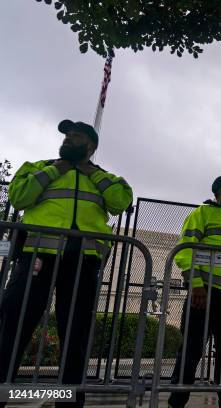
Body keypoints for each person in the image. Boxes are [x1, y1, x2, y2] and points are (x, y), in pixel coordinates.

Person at [0, 119, 133, 407]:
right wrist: (54, 170)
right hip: (37, 256)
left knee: (76, 333)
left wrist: (92, 173)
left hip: (83, 262)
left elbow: (120, 202)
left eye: (76, 136)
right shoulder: (37, 167)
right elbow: (19, 197)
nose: (69, 139)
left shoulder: (105, 178)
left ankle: (69, 401)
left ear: (90, 146)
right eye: (67, 135)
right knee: (14, 324)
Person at [168, 175, 221, 408]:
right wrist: (195, 283)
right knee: (191, 350)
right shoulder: (202, 213)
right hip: (205, 294)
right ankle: (176, 402)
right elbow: (185, 249)